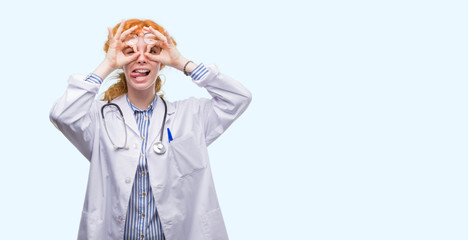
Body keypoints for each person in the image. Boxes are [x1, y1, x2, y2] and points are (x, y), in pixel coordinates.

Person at [49, 19, 252, 240]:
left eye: (153, 51)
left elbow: (238, 98)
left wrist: (182, 62)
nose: (141, 58)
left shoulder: (192, 115)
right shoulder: (99, 119)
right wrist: (107, 64)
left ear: (162, 62)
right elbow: (62, 114)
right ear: (121, 61)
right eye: (129, 52)